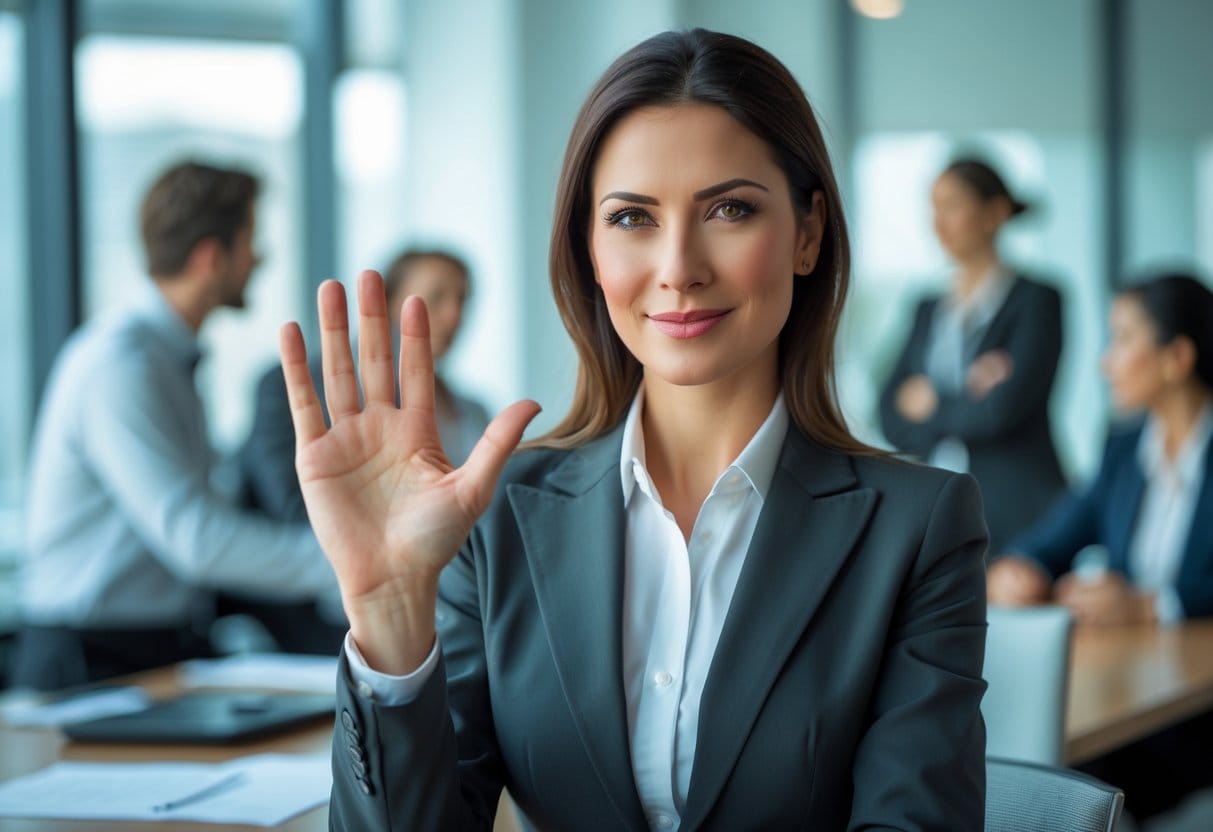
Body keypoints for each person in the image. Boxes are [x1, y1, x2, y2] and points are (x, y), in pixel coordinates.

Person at [282, 30, 988, 831]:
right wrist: (388, 618)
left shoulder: (916, 528)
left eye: (729, 209)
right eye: (631, 218)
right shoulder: (494, 518)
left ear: (806, 232)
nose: (678, 266)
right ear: (587, 249)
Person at [10, 161, 337, 691]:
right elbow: (196, 538)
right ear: (212, 256)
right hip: (85, 660)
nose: (259, 258)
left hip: (150, 646)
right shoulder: (121, 365)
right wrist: (352, 562)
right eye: (251, 240)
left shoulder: (165, 359)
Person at [987, 273, 1213, 626]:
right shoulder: (1124, 448)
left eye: (1121, 340)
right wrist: (1021, 568)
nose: (1106, 365)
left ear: (1178, 357)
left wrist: (1151, 606)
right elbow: (1056, 536)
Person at [878, 157, 1066, 553]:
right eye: (933, 208)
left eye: (952, 206)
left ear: (994, 214)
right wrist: (968, 397)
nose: (937, 223)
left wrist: (930, 402)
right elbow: (889, 414)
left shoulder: (1036, 301)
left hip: (1020, 511)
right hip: (938, 510)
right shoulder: (928, 307)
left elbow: (1003, 412)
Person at [242, 246, 489, 522]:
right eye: (435, 298)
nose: (454, 316)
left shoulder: (474, 411)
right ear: (388, 303)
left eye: (462, 300)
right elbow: (290, 510)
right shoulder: (292, 389)